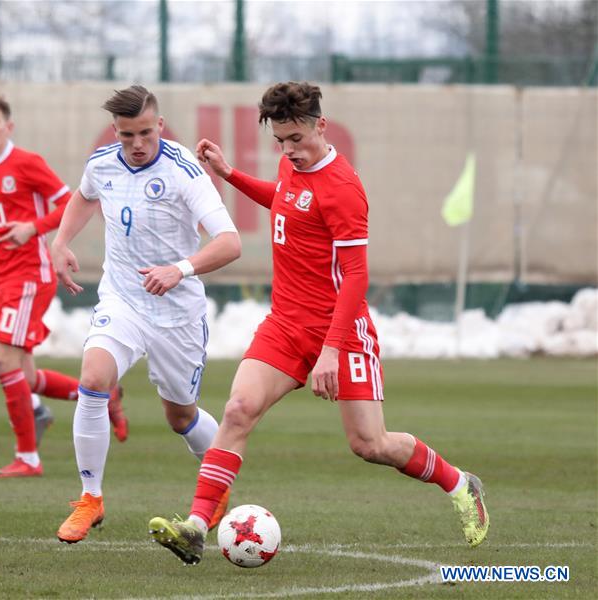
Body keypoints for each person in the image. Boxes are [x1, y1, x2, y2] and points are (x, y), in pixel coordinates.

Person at [148, 81, 490, 565]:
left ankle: (459, 483)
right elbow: (287, 202)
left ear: (321, 127)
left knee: (370, 444)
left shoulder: (344, 189)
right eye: (281, 142)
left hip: (342, 333)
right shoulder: (294, 166)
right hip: (286, 324)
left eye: (297, 140)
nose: (289, 152)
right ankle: (196, 527)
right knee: (238, 409)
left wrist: (331, 350)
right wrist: (230, 174)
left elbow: (356, 275)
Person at [50, 85, 242, 544]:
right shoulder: (102, 163)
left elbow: (229, 242)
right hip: (122, 300)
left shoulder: (183, 170)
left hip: (177, 313)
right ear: (115, 131)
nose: (136, 144)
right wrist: (60, 242)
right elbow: (84, 196)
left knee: (180, 417)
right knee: (94, 380)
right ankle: (90, 498)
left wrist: (179, 270)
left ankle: (217, 489)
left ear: (159, 125)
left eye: (144, 133)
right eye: (125, 135)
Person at [0, 96, 127, 478]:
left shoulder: (27, 163)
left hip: (31, 275)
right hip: (1, 277)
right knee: (27, 377)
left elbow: (68, 201)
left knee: (3, 360)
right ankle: (106, 396)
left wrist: (33, 227)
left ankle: (28, 458)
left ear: (8, 127)